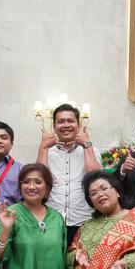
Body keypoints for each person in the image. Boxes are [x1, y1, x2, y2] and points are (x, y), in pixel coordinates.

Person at [37, 103, 101, 244]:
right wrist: (43, 147)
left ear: (78, 125)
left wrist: (86, 144)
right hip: (53, 220)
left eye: (70, 121)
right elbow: (39, 180)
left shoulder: (91, 150)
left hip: (84, 220)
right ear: (54, 126)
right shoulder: (47, 152)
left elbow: (95, 178)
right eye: (61, 121)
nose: (66, 125)